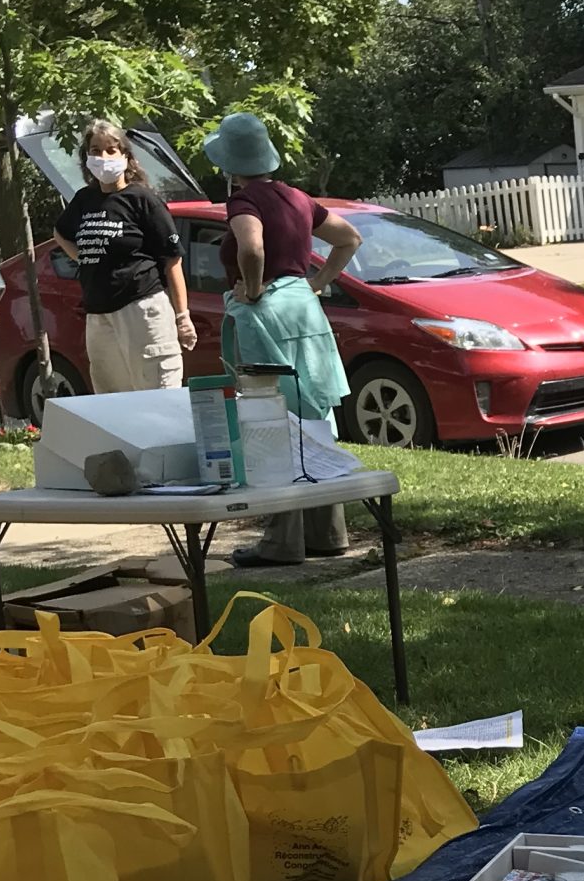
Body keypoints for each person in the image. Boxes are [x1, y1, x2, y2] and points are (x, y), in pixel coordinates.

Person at [202, 111, 362, 568]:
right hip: (303, 308)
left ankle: (280, 542)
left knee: (270, 419)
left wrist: (251, 289)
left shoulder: (243, 200)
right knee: (313, 414)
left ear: (230, 163)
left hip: (264, 313)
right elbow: (348, 238)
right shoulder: (297, 197)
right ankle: (328, 532)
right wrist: (318, 281)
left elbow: (251, 248)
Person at [55, 122, 197, 392]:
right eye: (96, 151)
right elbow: (61, 232)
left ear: (126, 156)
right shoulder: (85, 199)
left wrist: (182, 317)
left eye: (111, 150)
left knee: (158, 399)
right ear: (86, 158)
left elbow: (172, 260)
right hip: (98, 315)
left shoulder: (142, 199)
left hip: (142, 309)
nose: (104, 157)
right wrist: (82, 257)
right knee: (114, 405)